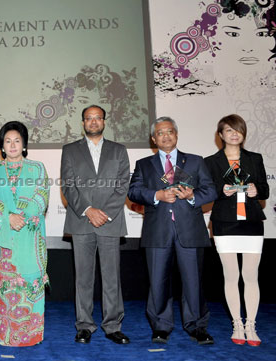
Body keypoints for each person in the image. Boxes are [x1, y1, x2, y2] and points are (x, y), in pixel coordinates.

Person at [128, 116, 217, 345]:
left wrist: (192, 196)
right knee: (157, 281)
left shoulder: (196, 161)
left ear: (176, 135)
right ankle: (160, 327)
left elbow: (210, 190)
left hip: (190, 231)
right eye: (160, 133)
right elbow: (134, 192)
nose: (165, 136)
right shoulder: (144, 164)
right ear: (153, 138)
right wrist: (156, 195)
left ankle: (197, 327)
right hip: (158, 231)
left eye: (169, 132)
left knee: (193, 282)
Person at [60, 105, 130, 345]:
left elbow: (122, 186)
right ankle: (84, 326)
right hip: (81, 221)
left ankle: (112, 326)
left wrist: (105, 214)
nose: (93, 122)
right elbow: (68, 186)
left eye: (97, 118)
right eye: (88, 118)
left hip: (110, 223)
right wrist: (88, 210)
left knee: (111, 277)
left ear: (104, 121)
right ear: (82, 123)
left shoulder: (119, 150)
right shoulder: (69, 150)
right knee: (83, 278)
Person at [0, 121, 50, 347]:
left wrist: (22, 215)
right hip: (3, 239)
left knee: (29, 283)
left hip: (29, 239)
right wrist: (9, 217)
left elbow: (42, 196)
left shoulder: (37, 168)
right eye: (7, 141)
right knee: (5, 287)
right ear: (2, 146)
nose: (12, 145)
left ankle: (30, 335)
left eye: (17, 141)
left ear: (24, 144)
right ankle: (6, 334)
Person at [204, 114, 269, 346]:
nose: (234, 134)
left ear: (243, 133)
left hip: (251, 221)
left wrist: (255, 190)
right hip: (224, 222)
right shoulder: (211, 161)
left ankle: (251, 325)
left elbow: (265, 189)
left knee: (251, 276)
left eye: (238, 130)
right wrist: (222, 190)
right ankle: (237, 325)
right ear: (220, 135)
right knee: (231, 276)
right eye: (229, 130)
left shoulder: (254, 158)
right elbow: (207, 191)